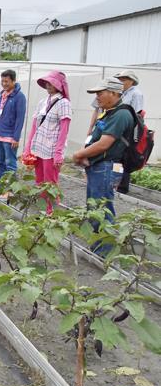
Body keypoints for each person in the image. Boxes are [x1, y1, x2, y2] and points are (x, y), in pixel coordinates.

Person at [72, 78, 133, 255]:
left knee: (102, 209)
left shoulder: (121, 115)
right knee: (95, 207)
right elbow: (95, 138)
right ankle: (98, 246)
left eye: (100, 93)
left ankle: (105, 251)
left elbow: (104, 144)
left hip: (107, 168)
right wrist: (86, 155)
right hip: (100, 166)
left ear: (114, 93)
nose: (97, 97)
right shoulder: (109, 112)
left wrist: (79, 154)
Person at [23, 71, 72, 214]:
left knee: (50, 183)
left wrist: (58, 153)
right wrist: (28, 148)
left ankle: (51, 212)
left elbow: (64, 130)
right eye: (47, 82)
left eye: (51, 82)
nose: (48, 85)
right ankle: (42, 208)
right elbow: (34, 126)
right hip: (39, 147)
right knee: (39, 180)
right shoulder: (42, 103)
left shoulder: (63, 103)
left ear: (59, 85)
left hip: (51, 150)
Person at [0, 69, 27, 179]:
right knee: (0, 163)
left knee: (10, 164)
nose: (4, 84)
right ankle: (1, 188)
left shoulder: (19, 97)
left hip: (9, 137)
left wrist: (16, 138)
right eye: (2, 81)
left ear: (14, 81)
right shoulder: (1, 95)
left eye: (7, 81)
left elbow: (20, 119)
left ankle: (9, 190)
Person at [86, 69, 145, 135]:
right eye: (119, 80)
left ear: (132, 81)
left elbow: (136, 115)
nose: (120, 82)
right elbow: (97, 109)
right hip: (102, 126)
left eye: (123, 80)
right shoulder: (114, 90)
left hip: (117, 130)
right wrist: (91, 128)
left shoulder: (136, 94)